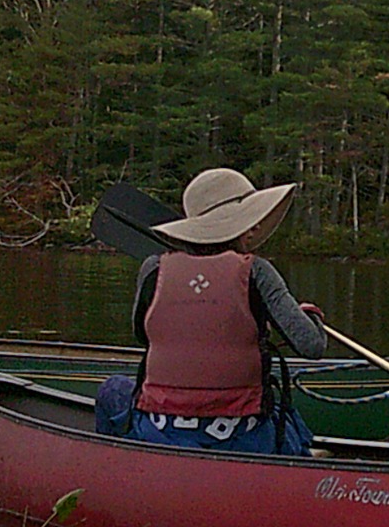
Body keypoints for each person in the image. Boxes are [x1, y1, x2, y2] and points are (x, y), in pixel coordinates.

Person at [94, 166, 327, 453]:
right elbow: (312, 344)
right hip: (242, 438)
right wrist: (310, 316)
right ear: (245, 226)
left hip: (159, 430)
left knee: (112, 390)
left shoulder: (153, 269)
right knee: (289, 420)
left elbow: (143, 335)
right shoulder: (258, 272)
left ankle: (119, 467)